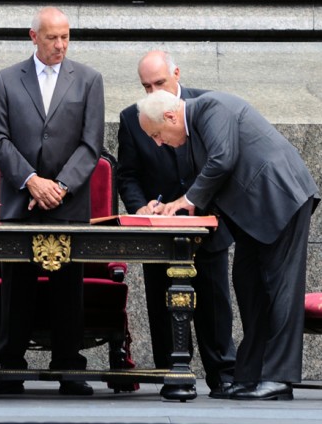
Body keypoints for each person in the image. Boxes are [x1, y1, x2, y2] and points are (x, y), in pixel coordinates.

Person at [137, 89, 319, 401]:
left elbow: (223, 160)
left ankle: (278, 378)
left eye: (156, 134)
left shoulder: (211, 107)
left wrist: (187, 200)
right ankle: (248, 376)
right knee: (248, 285)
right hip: (255, 214)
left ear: (170, 117)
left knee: (280, 289)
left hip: (281, 200)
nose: (158, 142)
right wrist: (169, 207)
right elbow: (209, 179)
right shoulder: (194, 128)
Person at [0, 7, 104, 396]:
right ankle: (10, 366)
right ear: (33, 37)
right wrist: (32, 181)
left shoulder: (88, 80)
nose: (60, 45)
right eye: (52, 38)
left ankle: (69, 366)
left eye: (66, 37)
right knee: (17, 286)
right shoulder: (5, 79)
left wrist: (60, 186)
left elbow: (92, 144)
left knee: (69, 287)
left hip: (69, 205)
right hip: (21, 202)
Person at [116, 51, 236, 399]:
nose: (153, 92)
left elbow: (221, 159)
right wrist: (140, 208)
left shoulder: (206, 105)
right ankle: (172, 371)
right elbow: (128, 175)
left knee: (215, 300)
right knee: (161, 301)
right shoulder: (132, 118)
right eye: (146, 86)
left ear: (177, 74)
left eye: (160, 83)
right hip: (159, 229)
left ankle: (223, 373)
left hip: (208, 224)